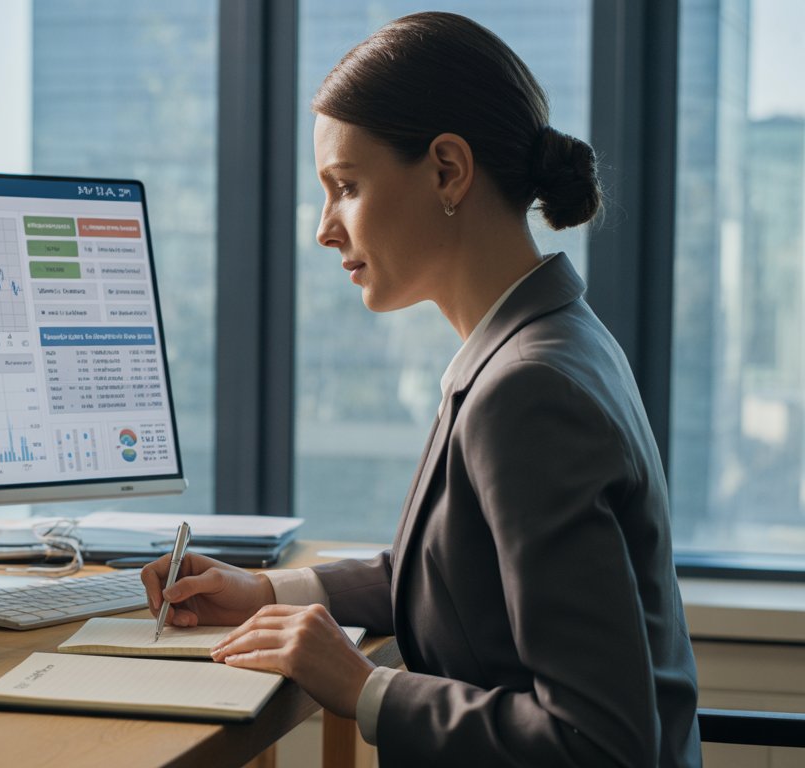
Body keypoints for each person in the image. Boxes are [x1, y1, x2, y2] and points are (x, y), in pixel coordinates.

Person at [140, 11, 701, 767]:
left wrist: (365, 687)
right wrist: (270, 591)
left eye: (345, 186)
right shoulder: (543, 338)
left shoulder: (527, 388)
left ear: (447, 170)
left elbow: (601, 746)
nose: (324, 229)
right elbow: (454, 572)